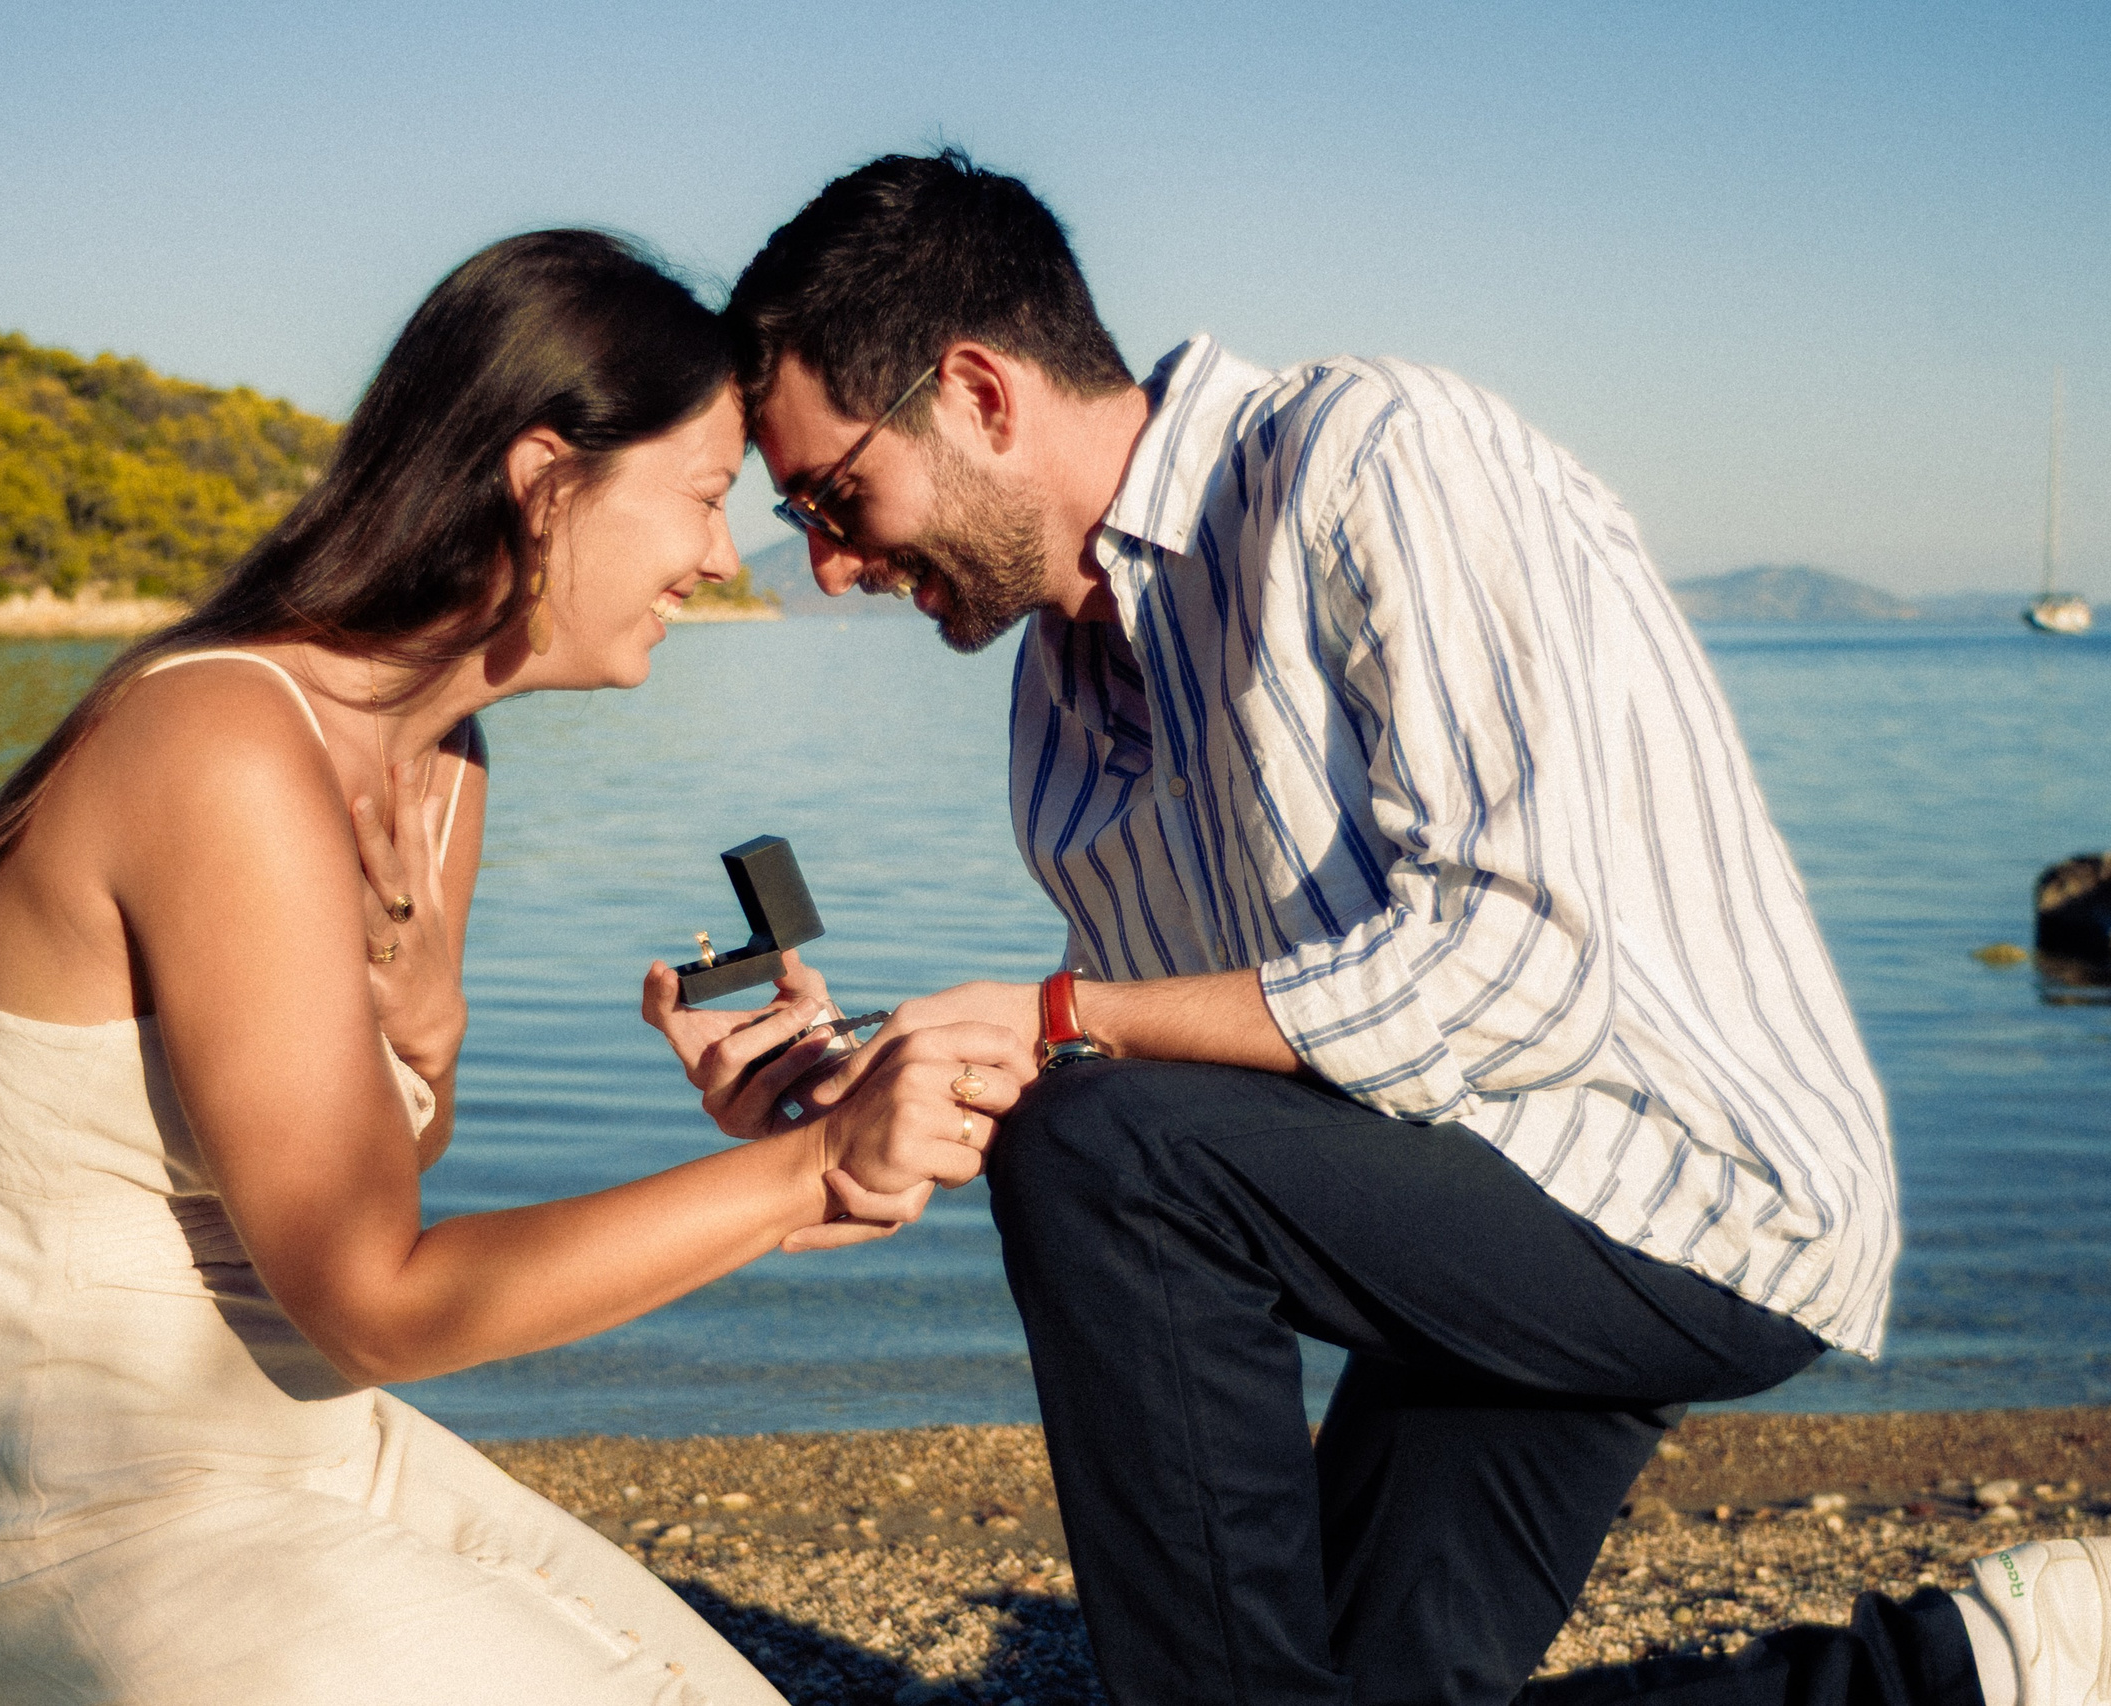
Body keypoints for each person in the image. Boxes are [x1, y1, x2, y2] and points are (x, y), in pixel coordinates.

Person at [689, 149, 2111, 1706]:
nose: (827, 564)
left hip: (1685, 1176)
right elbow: (1218, 1076)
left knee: (1099, 1149)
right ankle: (1992, 1665)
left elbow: (1513, 971)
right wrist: (870, 1096)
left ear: (978, 391)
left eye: (836, 495)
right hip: (1462, 1201)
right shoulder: (1059, 713)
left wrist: (1052, 1025)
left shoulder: (1369, 461)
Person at [0, 229, 1032, 1706]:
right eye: (695, 498)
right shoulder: (221, 746)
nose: (709, 555)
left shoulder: (438, 758)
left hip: (314, 1457)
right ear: (545, 479)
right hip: (77, 1535)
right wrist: (804, 1177)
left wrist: (442, 1033)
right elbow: (376, 1297)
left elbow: (361, 1195)